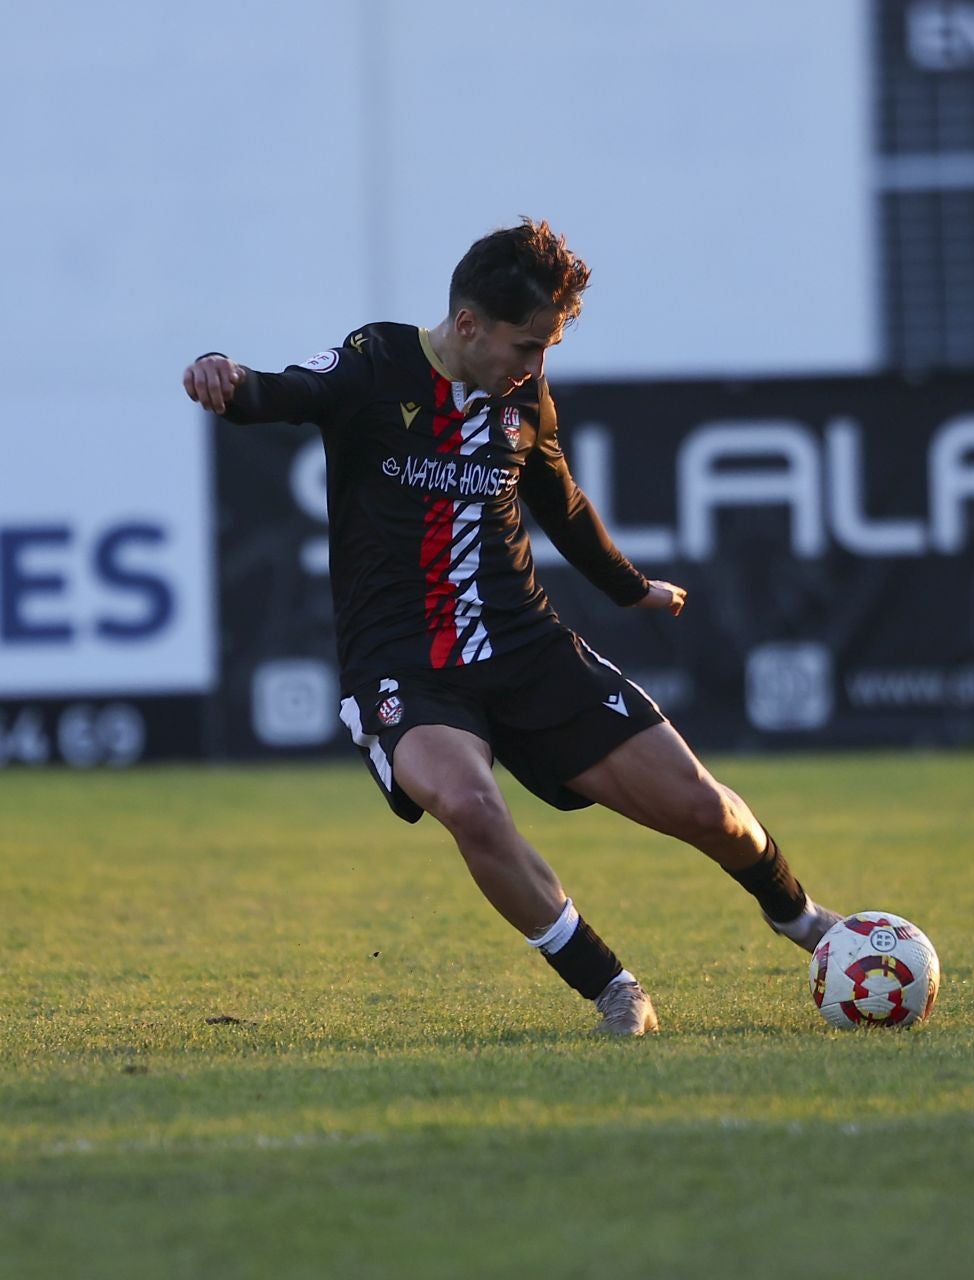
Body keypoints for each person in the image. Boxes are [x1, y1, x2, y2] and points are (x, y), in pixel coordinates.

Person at [182, 218, 840, 1037]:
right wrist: (224, 374)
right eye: (527, 346)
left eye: (547, 349)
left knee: (707, 810)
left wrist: (631, 589)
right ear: (466, 326)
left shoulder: (525, 398)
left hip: (525, 644)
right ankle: (614, 988)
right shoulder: (376, 362)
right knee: (470, 802)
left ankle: (811, 926)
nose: (536, 366)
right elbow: (281, 392)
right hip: (403, 664)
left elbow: (559, 502)